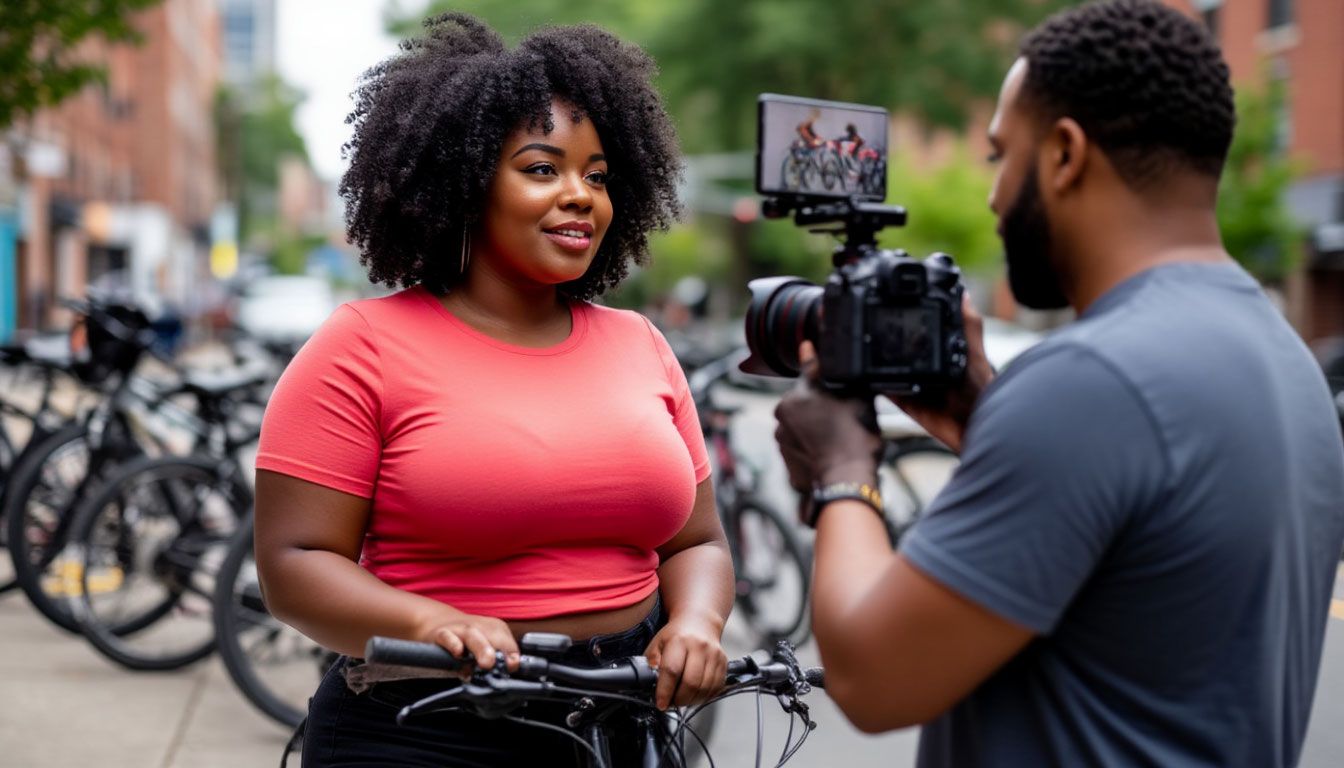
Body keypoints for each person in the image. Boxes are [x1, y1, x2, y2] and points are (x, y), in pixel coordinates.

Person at [772, 2, 1344, 766]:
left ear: (1066, 155)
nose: (993, 196)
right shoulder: (1283, 356)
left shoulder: (1093, 381)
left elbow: (871, 679)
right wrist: (987, 413)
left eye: (1000, 156)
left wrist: (841, 467)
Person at [253, 14, 733, 767]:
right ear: (465, 180)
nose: (581, 195)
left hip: (624, 721)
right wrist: (434, 624)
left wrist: (698, 621)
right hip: (426, 727)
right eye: (543, 169)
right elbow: (293, 564)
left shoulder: (641, 344)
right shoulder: (360, 346)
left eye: (598, 176)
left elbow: (697, 540)